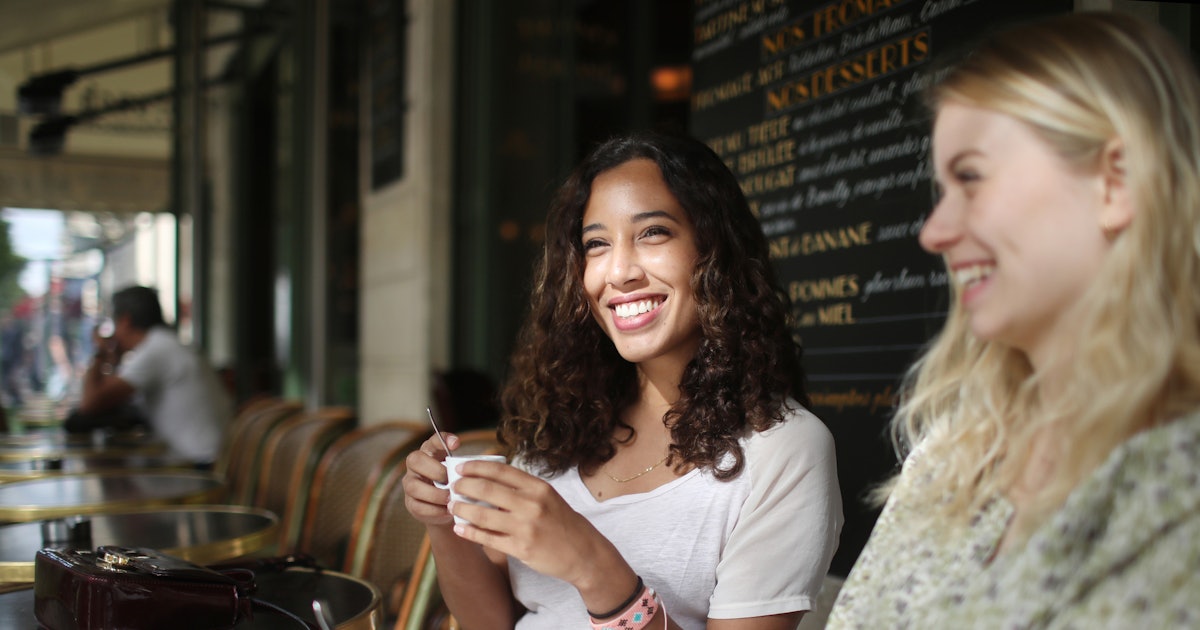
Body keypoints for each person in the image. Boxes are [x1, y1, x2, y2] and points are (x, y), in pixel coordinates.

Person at [826, 12, 1200, 628]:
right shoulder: (953, 449)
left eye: (971, 178)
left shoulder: (1176, 474)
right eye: (941, 191)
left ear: (1117, 181)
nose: (934, 232)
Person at [403, 130, 842, 629]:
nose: (618, 272)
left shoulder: (784, 449)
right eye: (596, 244)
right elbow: (490, 623)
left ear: (714, 249)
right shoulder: (564, 421)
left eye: (652, 233)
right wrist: (442, 521)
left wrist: (593, 567)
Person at [68, 285, 231, 466]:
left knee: (117, 478)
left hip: (203, 465)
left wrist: (100, 353)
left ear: (125, 321)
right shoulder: (165, 343)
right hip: (210, 459)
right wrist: (115, 360)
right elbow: (106, 396)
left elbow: (89, 404)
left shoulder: (156, 350)